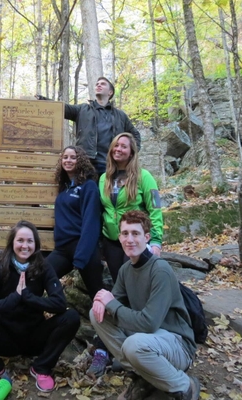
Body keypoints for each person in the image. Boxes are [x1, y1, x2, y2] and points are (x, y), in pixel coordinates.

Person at [0, 220, 80, 394]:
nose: (25, 246)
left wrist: (29, 298)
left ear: (36, 244)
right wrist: (14, 298)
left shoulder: (44, 268)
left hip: (35, 337)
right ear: (12, 243)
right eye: (20, 241)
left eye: (30, 241)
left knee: (72, 317)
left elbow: (60, 304)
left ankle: (42, 367)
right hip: (5, 337)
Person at [91, 210, 200, 400]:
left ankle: (184, 385)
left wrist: (111, 304)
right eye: (125, 234)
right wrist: (101, 301)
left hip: (177, 344)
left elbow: (149, 322)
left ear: (146, 237)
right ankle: (143, 374)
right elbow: (113, 304)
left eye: (135, 234)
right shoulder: (126, 270)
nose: (130, 239)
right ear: (119, 237)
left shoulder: (160, 270)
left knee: (134, 345)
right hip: (148, 340)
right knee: (96, 315)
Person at [87, 132, 163, 378]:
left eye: (124, 146)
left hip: (135, 243)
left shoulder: (144, 176)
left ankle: (130, 347)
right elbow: (102, 211)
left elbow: (155, 208)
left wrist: (157, 241)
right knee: (118, 289)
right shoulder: (104, 178)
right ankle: (108, 348)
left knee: (130, 292)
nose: (119, 149)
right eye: (116, 145)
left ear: (131, 151)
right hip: (111, 241)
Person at [36, 76, 141, 174]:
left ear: (110, 92)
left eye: (103, 84)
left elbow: (135, 135)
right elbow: (61, 108)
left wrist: (129, 153)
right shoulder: (83, 109)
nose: (99, 85)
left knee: (108, 194)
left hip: (112, 165)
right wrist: (42, 100)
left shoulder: (120, 116)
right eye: (97, 84)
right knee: (87, 193)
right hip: (87, 163)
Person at [46, 146, 103, 299]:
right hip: (62, 249)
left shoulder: (88, 186)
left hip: (83, 246)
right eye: (65, 157)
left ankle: (110, 321)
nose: (68, 160)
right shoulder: (64, 188)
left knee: (97, 293)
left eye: (73, 157)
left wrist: (81, 256)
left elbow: (91, 222)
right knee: (39, 275)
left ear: (81, 161)